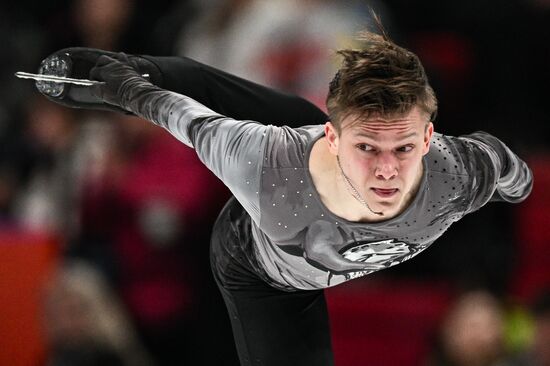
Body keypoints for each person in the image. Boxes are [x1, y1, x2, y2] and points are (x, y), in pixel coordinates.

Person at [34, 17, 533, 366]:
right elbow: (184, 113)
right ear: (336, 138)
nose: (387, 173)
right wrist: (119, 86)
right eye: (368, 148)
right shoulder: (262, 161)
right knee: (228, 106)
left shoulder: (457, 172)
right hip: (258, 262)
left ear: (427, 139)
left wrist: (519, 185)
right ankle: (119, 66)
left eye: (403, 149)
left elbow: (506, 165)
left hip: (300, 222)